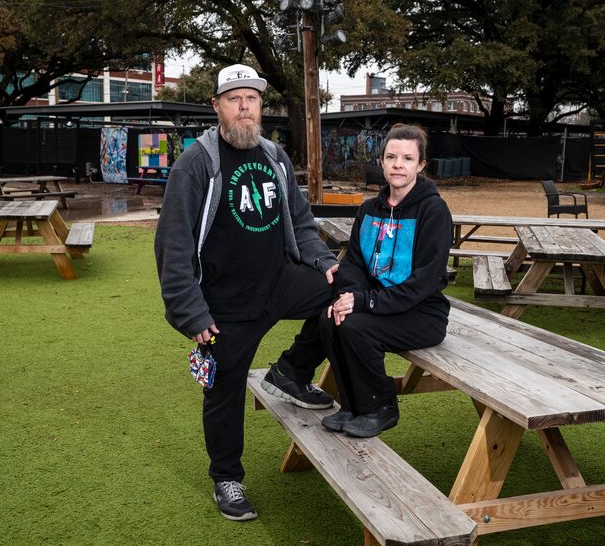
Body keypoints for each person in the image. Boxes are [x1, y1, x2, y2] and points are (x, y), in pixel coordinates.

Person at [154, 63, 339, 522]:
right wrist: (191, 312)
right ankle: (227, 477)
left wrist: (324, 262)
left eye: (251, 99)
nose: (244, 107)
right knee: (223, 390)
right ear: (217, 106)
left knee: (341, 296)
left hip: (278, 282)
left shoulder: (273, 155)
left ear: (261, 107)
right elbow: (173, 244)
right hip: (227, 304)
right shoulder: (196, 163)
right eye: (234, 98)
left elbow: (300, 221)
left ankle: (291, 372)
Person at [319, 124, 453, 439]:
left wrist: (364, 302)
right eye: (391, 156)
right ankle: (351, 405)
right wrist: (349, 296)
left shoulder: (433, 211)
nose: (398, 164)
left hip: (422, 312)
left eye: (407, 158)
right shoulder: (369, 209)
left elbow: (425, 281)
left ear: (420, 165)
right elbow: (352, 262)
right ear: (381, 161)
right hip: (381, 303)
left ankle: (381, 407)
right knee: (328, 320)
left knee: (356, 327)